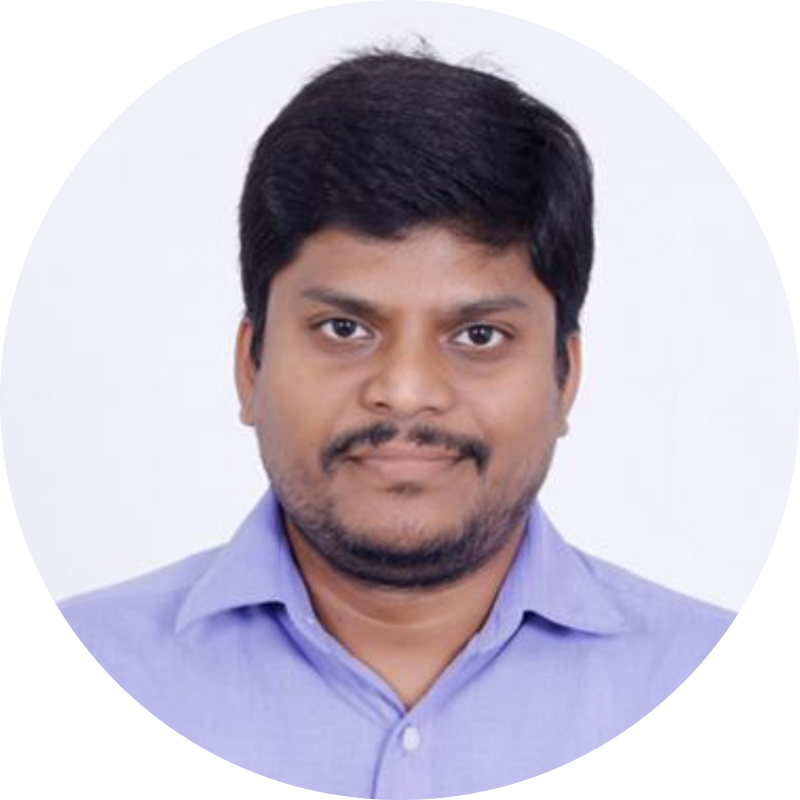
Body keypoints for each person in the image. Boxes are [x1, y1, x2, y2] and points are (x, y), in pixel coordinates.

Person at [1, 46, 798, 800]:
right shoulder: (40, 704)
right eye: (345, 328)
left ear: (566, 377)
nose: (407, 392)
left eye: (479, 336)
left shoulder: (756, 722)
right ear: (250, 365)